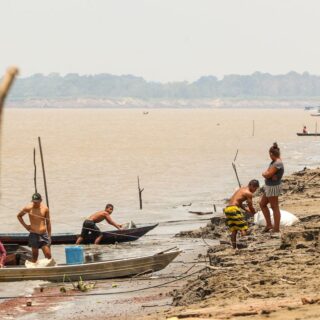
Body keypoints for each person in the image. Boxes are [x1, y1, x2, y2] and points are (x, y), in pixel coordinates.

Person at [224, 180, 260, 249]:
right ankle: (244, 246)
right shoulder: (248, 193)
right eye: (255, 188)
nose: (254, 191)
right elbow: (250, 206)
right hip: (234, 209)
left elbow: (239, 202)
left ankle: (234, 247)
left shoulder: (241, 189)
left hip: (227, 209)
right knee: (243, 227)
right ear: (251, 185)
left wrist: (246, 210)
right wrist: (254, 214)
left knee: (234, 229)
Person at [17, 193, 52, 263]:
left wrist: (49, 236)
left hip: (43, 234)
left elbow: (48, 222)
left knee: (48, 255)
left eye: (36, 202)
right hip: (34, 234)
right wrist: (26, 226)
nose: (35, 203)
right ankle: (34, 270)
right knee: (35, 255)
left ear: (40, 200)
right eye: (34, 202)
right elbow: (19, 216)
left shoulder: (45, 208)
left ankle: (48, 269)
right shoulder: (28, 208)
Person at [259, 142, 284, 234]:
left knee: (274, 207)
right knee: (262, 204)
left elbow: (267, 174)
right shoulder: (274, 162)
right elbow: (269, 174)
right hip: (270, 186)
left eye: (269, 154)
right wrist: (268, 174)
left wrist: (265, 174)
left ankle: (276, 228)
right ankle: (269, 224)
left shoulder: (277, 163)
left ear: (271, 154)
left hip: (273, 187)